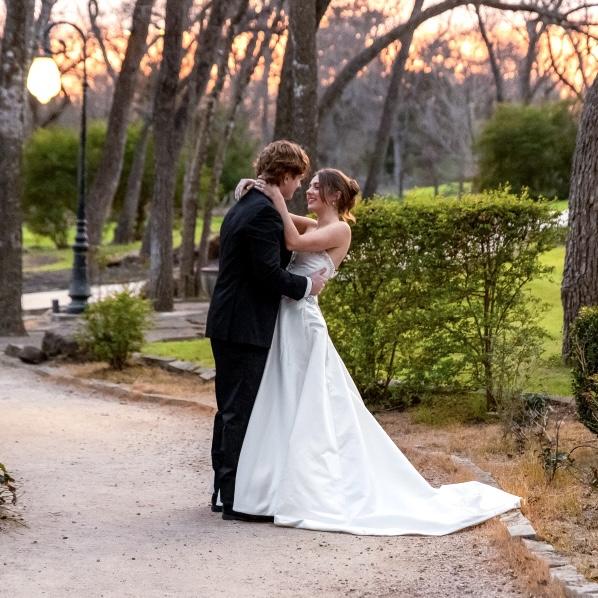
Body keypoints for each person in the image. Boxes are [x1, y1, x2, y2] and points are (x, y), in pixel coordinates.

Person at [232, 168, 521, 535]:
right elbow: (285, 218)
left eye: (317, 187)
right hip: (286, 320)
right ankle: (274, 486)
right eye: (310, 185)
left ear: (334, 196)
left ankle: (308, 484)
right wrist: (255, 189)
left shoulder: (340, 231)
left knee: (310, 400)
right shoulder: (316, 225)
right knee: (285, 398)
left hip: (303, 322)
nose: (310, 190)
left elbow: (291, 241)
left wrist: (274, 195)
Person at [205, 140, 328, 522]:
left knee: (229, 408)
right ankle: (233, 499)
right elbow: (267, 274)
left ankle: (223, 490)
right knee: (239, 410)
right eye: (298, 179)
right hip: (244, 324)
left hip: (228, 321)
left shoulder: (248, 203)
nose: (298, 187)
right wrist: (308, 286)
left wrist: (270, 195)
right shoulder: (262, 214)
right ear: (285, 175)